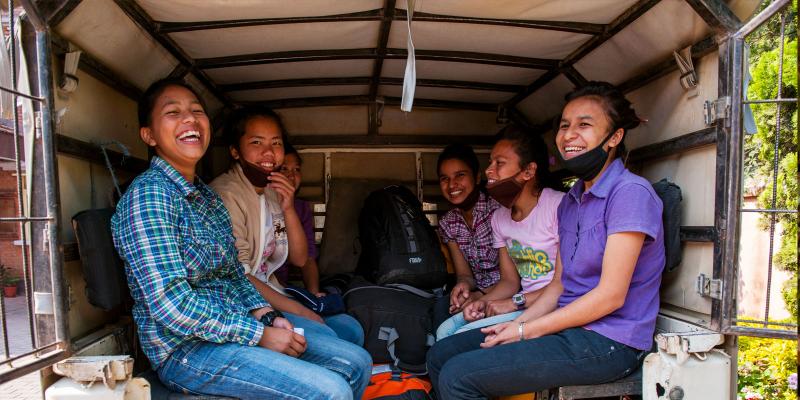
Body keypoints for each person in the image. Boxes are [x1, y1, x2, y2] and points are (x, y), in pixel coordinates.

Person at [111, 78, 370, 399]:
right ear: (149, 135)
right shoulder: (150, 196)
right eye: (173, 113)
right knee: (332, 391)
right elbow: (171, 306)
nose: (190, 119)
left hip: (234, 325)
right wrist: (259, 334)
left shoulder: (206, 198)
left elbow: (234, 276)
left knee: (357, 362)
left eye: (196, 111)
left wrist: (269, 315)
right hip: (187, 350)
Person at [426, 81, 666, 399]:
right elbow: (558, 284)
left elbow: (610, 296)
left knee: (459, 377)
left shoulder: (629, 193)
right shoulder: (573, 200)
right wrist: (517, 324)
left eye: (584, 125)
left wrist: (526, 329)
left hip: (610, 341)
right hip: (565, 327)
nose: (568, 135)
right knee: (440, 356)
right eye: (564, 125)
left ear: (614, 137)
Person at [210, 106, 365, 346]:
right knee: (329, 337)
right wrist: (301, 311)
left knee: (351, 330)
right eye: (256, 143)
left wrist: (288, 207)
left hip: (273, 291)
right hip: (245, 302)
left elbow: (300, 259)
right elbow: (240, 276)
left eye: (276, 143)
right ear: (235, 151)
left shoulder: (271, 193)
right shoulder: (226, 194)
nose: (269, 153)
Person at [436, 127, 564, 340]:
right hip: (520, 302)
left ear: (528, 171)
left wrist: (511, 303)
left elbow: (563, 284)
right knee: (445, 330)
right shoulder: (501, 218)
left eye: (499, 163)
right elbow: (510, 282)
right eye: (490, 163)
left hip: (550, 306)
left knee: (454, 340)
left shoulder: (559, 206)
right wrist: (481, 301)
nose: (489, 170)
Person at [273, 143, 364, 346]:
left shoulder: (300, 207)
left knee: (351, 329)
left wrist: (314, 294)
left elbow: (306, 259)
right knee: (331, 335)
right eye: (283, 169)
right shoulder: (258, 203)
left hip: (285, 291)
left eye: (296, 170)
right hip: (268, 296)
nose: (291, 176)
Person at [432, 144, 501, 334]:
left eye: (460, 175)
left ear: (477, 177)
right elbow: (465, 274)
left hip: (508, 293)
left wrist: (481, 296)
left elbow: (515, 277)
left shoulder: (498, 211)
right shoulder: (448, 223)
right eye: (445, 178)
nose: (452, 184)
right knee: (440, 309)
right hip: (477, 293)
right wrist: (463, 287)